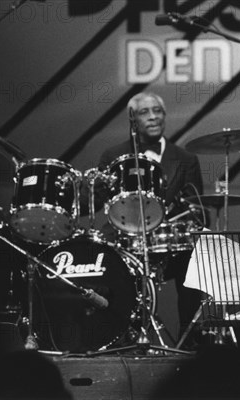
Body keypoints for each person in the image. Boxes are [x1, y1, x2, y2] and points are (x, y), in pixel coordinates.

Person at [96, 92, 206, 342]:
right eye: (145, 112)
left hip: (171, 242)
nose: (153, 117)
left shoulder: (186, 159)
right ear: (132, 120)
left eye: (158, 111)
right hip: (127, 240)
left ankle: (189, 343)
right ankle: (119, 339)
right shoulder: (113, 155)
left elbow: (197, 208)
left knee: (195, 260)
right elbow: (100, 201)